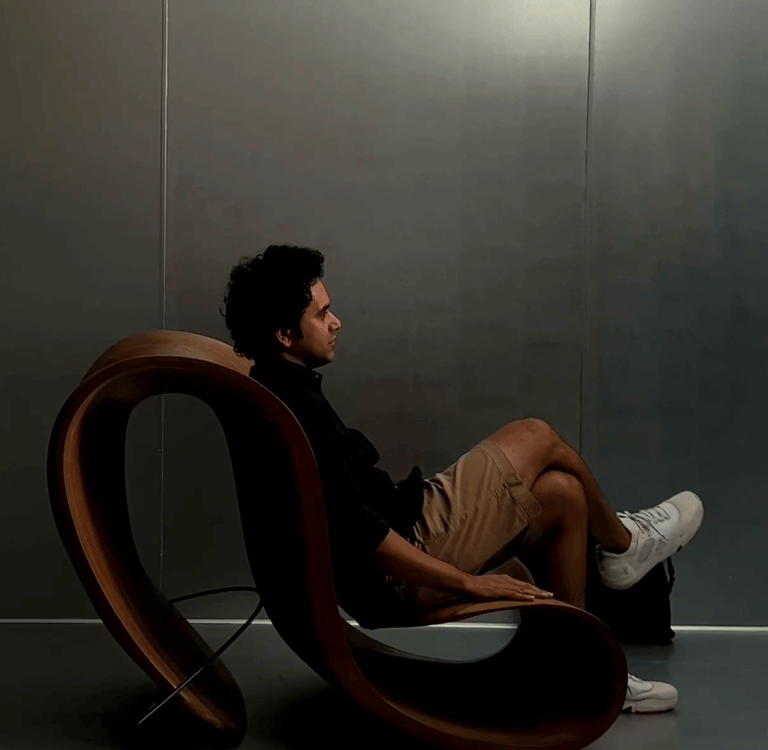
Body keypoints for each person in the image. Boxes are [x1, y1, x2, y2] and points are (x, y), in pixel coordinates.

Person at [220, 244, 704, 714]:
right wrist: (470, 585)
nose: (336, 322)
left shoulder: (281, 388)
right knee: (535, 434)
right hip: (400, 566)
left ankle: (576, 665)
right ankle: (624, 547)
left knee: (562, 494)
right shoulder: (293, 412)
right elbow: (363, 536)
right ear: (285, 334)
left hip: (407, 522)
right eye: (323, 314)